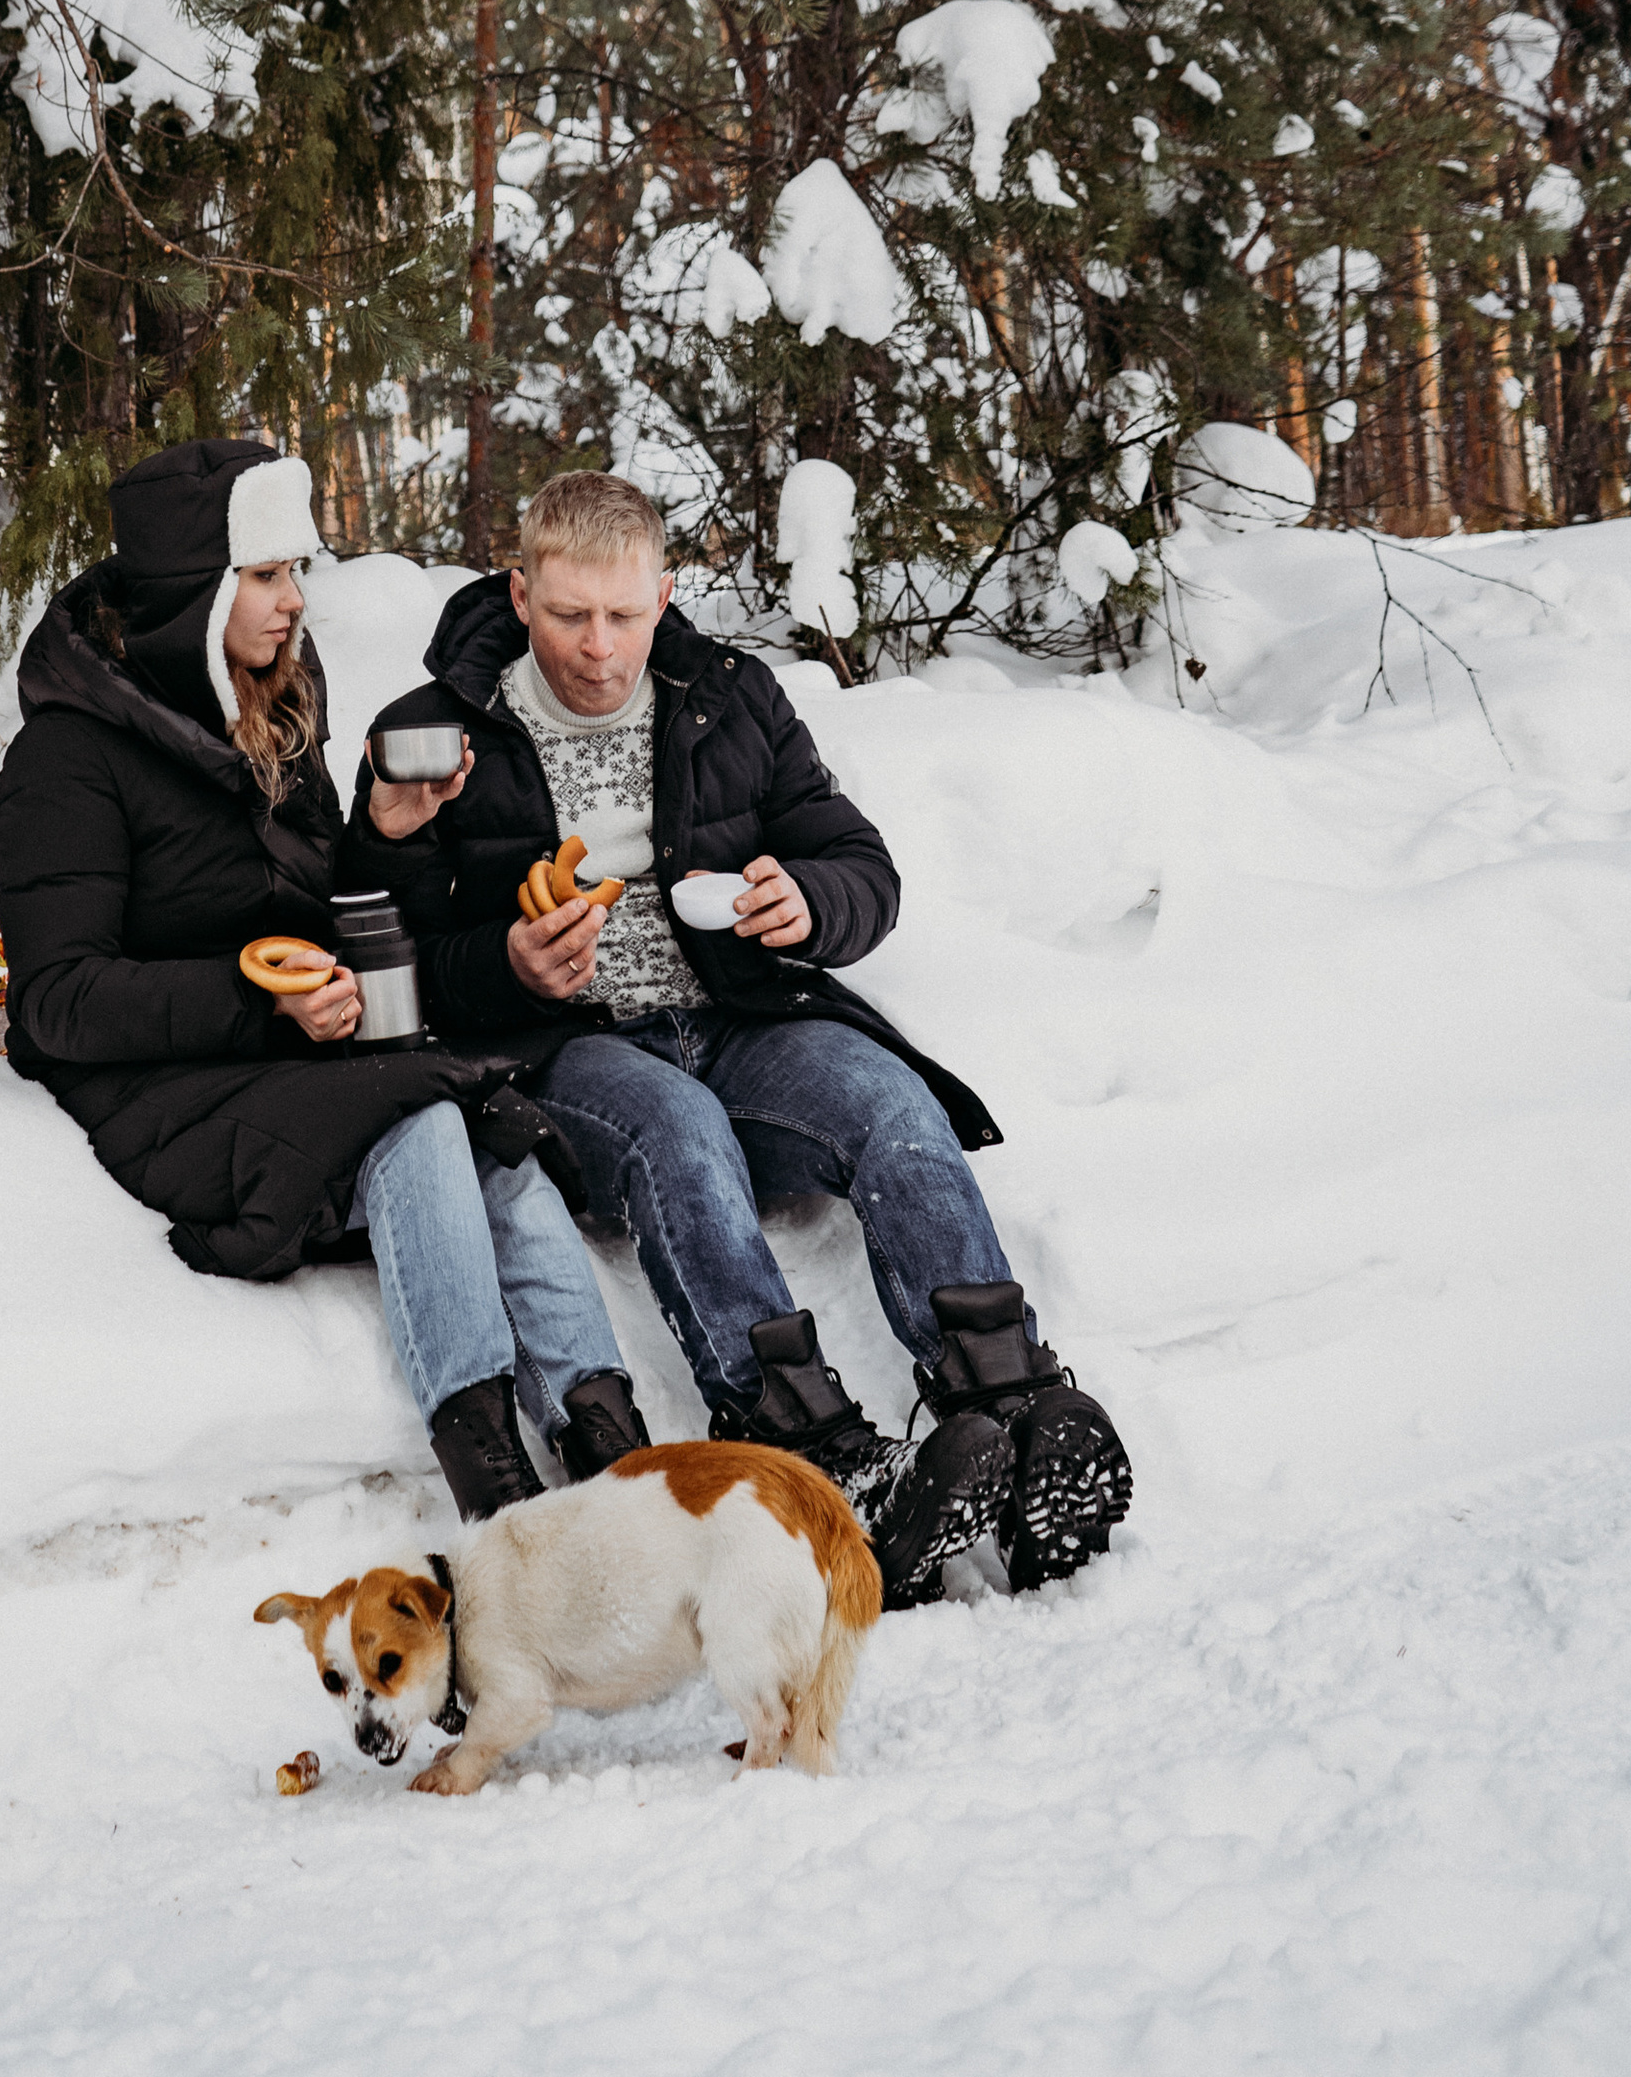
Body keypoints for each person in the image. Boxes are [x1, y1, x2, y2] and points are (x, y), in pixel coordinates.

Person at [352, 466, 1133, 1605]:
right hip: (565, 1047)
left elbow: (861, 867)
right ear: (518, 593)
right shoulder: (435, 735)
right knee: (679, 1133)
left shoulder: (729, 696)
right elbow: (379, 943)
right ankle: (813, 1450)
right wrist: (504, 964)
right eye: (569, 615)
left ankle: (1007, 1405)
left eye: (625, 614)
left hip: (738, 1014)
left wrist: (809, 902)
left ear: (664, 593)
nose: (600, 647)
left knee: (889, 1106)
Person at [0, 438, 649, 1520]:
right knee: (425, 1119)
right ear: (192, 589)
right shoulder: (68, 757)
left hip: (286, 1059)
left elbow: (312, 913)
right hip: (159, 1087)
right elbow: (57, 1003)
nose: (295, 600)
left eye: (296, 570)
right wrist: (261, 1003)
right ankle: (498, 1489)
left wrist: (384, 833)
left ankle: (617, 1454)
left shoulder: (275, 713)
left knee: (484, 1123)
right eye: (264, 574)